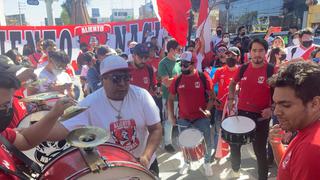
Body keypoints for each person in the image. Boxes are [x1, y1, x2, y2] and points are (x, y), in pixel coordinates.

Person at [42, 55, 162, 177]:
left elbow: (156, 129)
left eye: (126, 78)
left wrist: (146, 156)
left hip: (144, 163)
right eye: (116, 79)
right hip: (113, 170)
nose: (122, 84)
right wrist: (28, 133)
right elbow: (57, 131)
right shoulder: (89, 104)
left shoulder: (141, 96)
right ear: (103, 79)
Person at [0, 72, 74, 179]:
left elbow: (26, 140)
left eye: (10, 103)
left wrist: (54, 113)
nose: (8, 109)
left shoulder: (2, 133)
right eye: (4, 105)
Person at [228, 38, 274, 179]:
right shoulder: (243, 68)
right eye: (254, 50)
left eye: (261, 50)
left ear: (266, 52)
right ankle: (235, 170)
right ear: (249, 52)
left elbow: (280, 93)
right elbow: (232, 83)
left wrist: (272, 109)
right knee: (235, 145)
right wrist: (231, 98)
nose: (257, 54)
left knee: (260, 151)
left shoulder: (271, 70)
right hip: (242, 114)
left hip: (261, 117)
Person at [268, 61, 320, 180]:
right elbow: (288, 168)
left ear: (315, 104)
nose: (276, 112)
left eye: (285, 105)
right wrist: (276, 145)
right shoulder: (306, 130)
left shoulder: (311, 149)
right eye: (275, 104)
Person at [167, 51, 214, 176]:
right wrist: (171, 115)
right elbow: (170, 99)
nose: (182, 67)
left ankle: (207, 163)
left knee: (207, 143)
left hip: (201, 118)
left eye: (185, 64)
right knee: (185, 143)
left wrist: (208, 109)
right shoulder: (177, 80)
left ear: (194, 64)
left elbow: (212, 97)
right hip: (184, 119)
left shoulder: (203, 77)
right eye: (181, 64)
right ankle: (187, 163)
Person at [211, 47, 240, 153]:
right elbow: (211, 85)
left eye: (233, 56)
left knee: (234, 131)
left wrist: (238, 90)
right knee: (218, 130)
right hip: (220, 107)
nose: (230, 57)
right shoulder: (219, 71)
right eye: (228, 55)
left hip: (235, 108)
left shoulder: (241, 71)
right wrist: (214, 98)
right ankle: (216, 150)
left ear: (238, 57)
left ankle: (233, 152)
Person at [157, 39, 182, 153]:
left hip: (179, 97)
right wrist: (180, 78)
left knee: (175, 120)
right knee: (169, 120)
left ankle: (175, 140)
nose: (180, 51)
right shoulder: (163, 63)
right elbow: (166, 82)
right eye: (178, 49)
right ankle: (167, 143)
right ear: (171, 50)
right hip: (169, 98)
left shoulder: (178, 61)